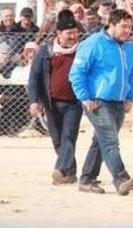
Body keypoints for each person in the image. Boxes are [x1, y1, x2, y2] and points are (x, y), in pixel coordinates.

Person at [69, 9, 133, 195]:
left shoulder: (128, 47)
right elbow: (76, 73)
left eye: (130, 27)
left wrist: (130, 97)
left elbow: (132, 75)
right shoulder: (93, 44)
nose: (127, 31)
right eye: (123, 26)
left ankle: (86, 179)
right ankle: (121, 178)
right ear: (111, 25)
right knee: (110, 141)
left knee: (101, 141)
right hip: (98, 103)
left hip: (119, 103)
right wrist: (85, 98)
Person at [28, 10, 82, 185]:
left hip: (74, 103)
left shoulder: (81, 50)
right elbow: (34, 76)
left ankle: (59, 169)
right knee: (58, 140)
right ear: (59, 33)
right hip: (51, 103)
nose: (73, 36)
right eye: (69, 33)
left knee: (68, 137)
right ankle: (70, 172)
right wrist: (34, 101)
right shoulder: (46, 50)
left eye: (75, 33)